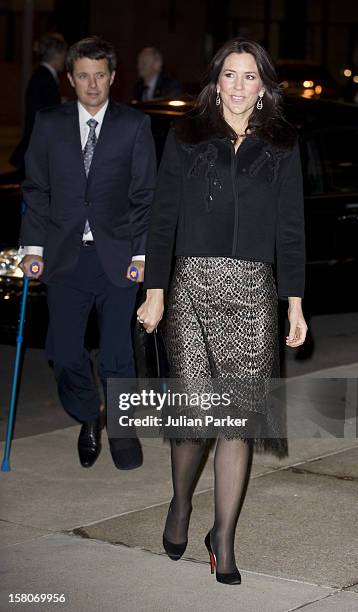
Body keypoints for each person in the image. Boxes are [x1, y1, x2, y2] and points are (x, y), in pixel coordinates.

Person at [137, 37, 307, 584]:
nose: (238, 86)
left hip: (253, 293)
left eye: (249, 77)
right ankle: (181, 504)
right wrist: (155, 290)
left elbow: (291, 231)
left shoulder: (282, 145)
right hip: (189, 289)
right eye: (229, 75)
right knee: (194, 420)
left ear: (263, 87)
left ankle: (224, 540)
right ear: (216, 81)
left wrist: (295, 305)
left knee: (237, 422)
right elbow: (162, 219)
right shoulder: (185, 137)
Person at [19, 37, 157, 470]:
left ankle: (121, 429)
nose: (92, 84)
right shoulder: (49, 123)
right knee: (63, 351)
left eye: (100, 75)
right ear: (70, 78)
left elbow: (144, 197)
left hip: (116, 256)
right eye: (83, 76)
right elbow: (37, 190)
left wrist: (141, 255)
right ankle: (88, 415)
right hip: (64, 256)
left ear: (113, 78)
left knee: (117, 352)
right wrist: (31, 248)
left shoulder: (134, 126)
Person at [10, 33, 67, 173]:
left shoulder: (42, 75)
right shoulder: (45, 79)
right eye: (64, 55)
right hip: (38, 146)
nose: (65, 60)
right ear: (57, 56)